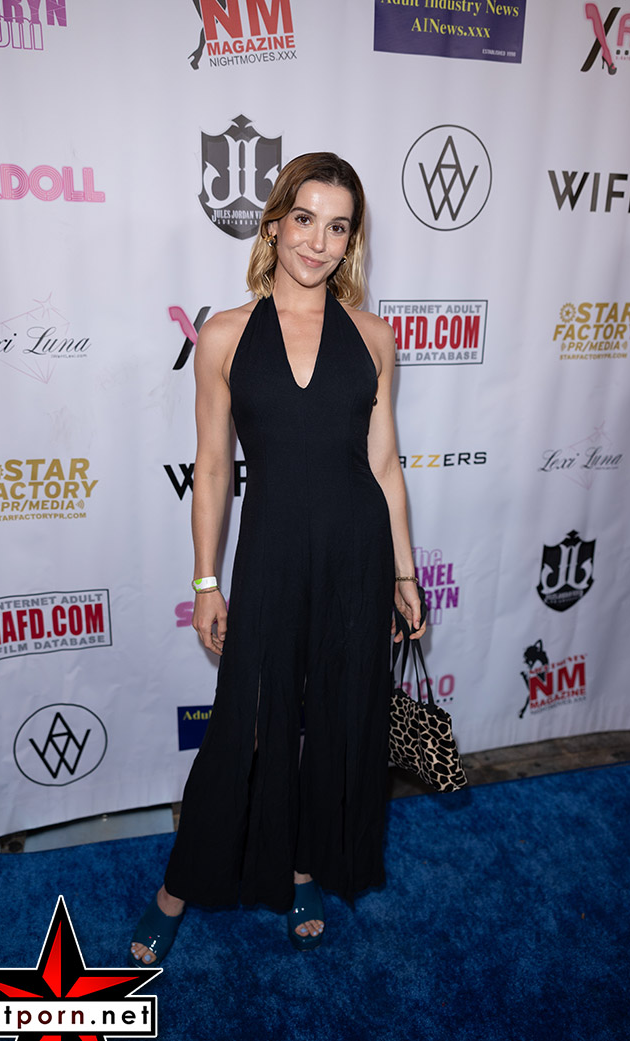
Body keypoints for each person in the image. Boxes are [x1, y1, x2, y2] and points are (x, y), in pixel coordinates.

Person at [130, 152, 426, 963]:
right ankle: (178, 885)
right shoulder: (226, 334)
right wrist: (205, 580)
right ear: (274, 223)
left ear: (350, 241)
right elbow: (212, 468)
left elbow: (385, 465)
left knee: (333, 719)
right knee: (246, 723)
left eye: (337, 227)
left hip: (357, 555)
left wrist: (404, 571)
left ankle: (299, 868)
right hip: (269, 556)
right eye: (304, 219)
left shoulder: (374, 337)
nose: (317, 242)